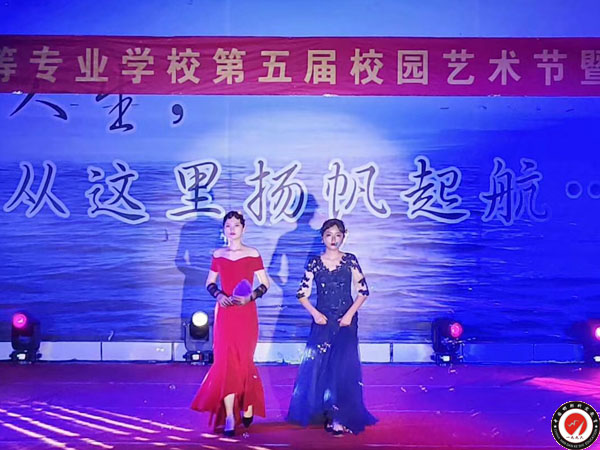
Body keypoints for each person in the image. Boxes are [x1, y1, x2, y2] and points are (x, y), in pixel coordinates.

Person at [287, 218, 377, 435]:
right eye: (329, 235)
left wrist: (349, 315)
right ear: (322, 238)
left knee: (343, 368)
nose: (333, 239)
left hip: (346, 322)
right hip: (323, 321)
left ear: (344, 236)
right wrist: (316, 314)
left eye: (338, 235)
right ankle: (327, 413)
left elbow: (363, 292)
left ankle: (339, 416)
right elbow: (302, 293)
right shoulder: (315, 262)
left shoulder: (350, 260)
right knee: (322, 367)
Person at [191, 211, 269, 436]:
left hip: (246, 314)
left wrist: (249, 297)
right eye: (228, 225)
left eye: (236, 225)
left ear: (244, 228)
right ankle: (230, 417)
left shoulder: (252, 253)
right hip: (225, 314)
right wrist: (218, 295)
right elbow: (209, 283)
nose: (232, 229)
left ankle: (248, 403)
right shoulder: (218, 254)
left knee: (244, 360)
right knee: (226, 363)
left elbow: (264, 284)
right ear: (224, 229)